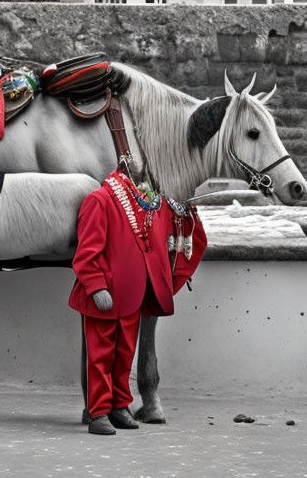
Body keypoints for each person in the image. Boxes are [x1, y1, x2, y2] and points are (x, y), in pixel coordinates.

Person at [69, 168, 207, 435]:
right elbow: (86, 254)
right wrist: (97, 287)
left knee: (124, 358)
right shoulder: (99, 201)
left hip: (134, 297)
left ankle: (119, 406)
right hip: (104, 298)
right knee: (99, 358)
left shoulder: (147, 205)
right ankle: (98, 413)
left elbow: (176, 230)